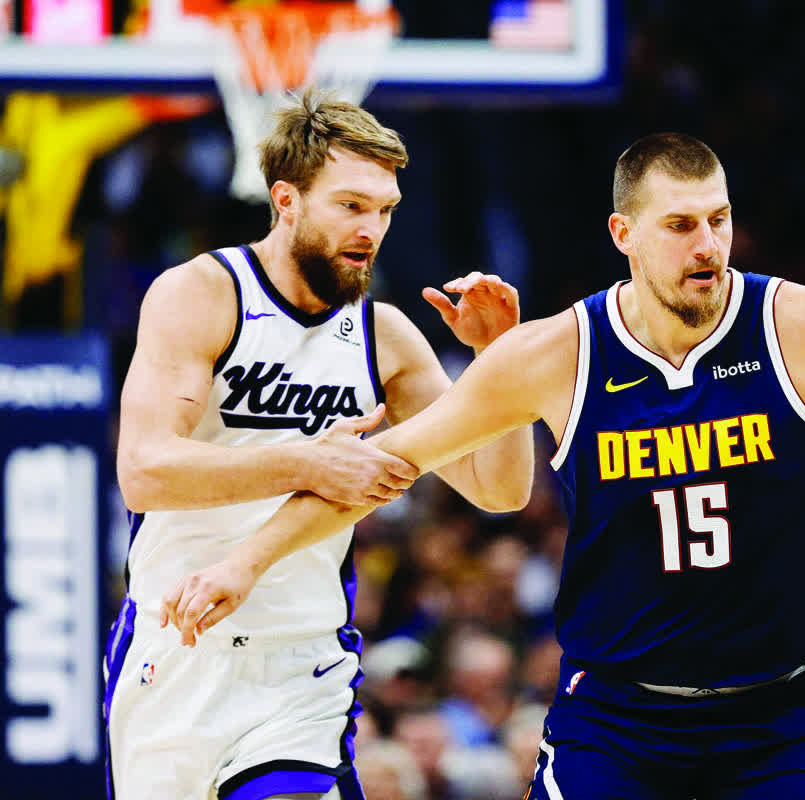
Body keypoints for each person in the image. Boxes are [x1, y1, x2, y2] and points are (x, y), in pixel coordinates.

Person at [164, 132, 805, 799]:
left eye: (719, 220)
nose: (707, 244)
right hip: (621, 719)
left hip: (785, 713)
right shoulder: (557, 353)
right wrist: (245, 561)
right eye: (679, 226)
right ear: (625, 233)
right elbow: (383, 463)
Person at [107, 90, 534, 800]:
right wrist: (306, 460)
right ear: (287, 200)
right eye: (351, 206)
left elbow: (500, 488)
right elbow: (145, 472)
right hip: (173, 648)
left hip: (299, 667)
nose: (372, 228)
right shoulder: (201, 294)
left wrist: (503, 361)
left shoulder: (385, 336)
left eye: (385, 210)